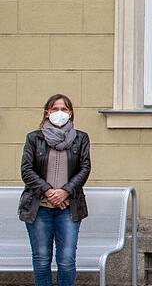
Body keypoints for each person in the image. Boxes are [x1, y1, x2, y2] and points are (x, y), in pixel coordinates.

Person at [19, 94, 91, 286]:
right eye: (55, 109)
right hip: (39, 207)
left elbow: (84, 168)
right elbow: (26, 170)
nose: (60, 113)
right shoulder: (34, 138)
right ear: (47, 113)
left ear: (71, 113)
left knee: (66, 261)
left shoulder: (81, 138)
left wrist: (65, 191)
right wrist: (49, 191)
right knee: (42, 259)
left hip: (68, 208)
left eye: (64, 109)